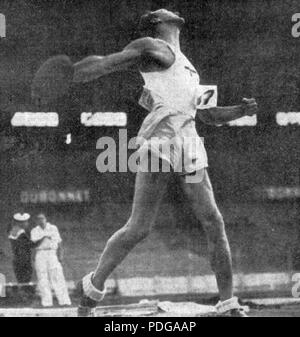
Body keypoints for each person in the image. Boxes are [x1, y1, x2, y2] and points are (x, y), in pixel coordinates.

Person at [73, 9, 258, 316]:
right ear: (158, 22)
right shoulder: (152, 45)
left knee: (214, 220)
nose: (173, 8)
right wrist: (74, 71)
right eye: (164, 9)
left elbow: (208, 115)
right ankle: (92, 289)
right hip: (159, 142)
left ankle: (227, 303)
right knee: (139, 227)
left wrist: (240, 110)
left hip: (188, 144)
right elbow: (109, 62)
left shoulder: (189, 68)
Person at [30, 213, 71, 307]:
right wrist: (44, 237)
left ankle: (64, 301)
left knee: (57, 276)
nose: (40, 220)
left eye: (42, 218)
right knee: (42, 278)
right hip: (40, 253)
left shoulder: (53, 228)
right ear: (36, 221)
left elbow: (59, 243)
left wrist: (60, 255)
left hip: (52, 253)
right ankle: (47, 302)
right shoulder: (34, 230)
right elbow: (34, 245)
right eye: (38, 219)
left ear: (45, 219)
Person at [8, 213, 34, 299]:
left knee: (21, 278)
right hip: (23, 258)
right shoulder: (21, 233)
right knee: (25, 278)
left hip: (17, 258)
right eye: (25, 222)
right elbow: (29, 244)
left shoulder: (13, 231)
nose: (27, 223)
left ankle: (23, 296)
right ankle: (25, 296)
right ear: (21, 223)